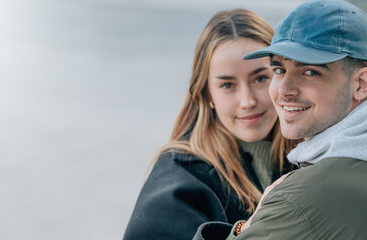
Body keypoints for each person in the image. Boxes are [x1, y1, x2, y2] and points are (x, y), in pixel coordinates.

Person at [193, 0, 367, 239]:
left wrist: (245, 227)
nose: (284, 90)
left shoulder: (298, 200)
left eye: (310, 72)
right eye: (279, 70)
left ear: (361, 84)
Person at [123, 9, 300, 240]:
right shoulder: (180, 180)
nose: (247, 101)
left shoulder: (312, 157)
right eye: (227, 85)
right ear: (206, 93)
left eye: (260, 78)